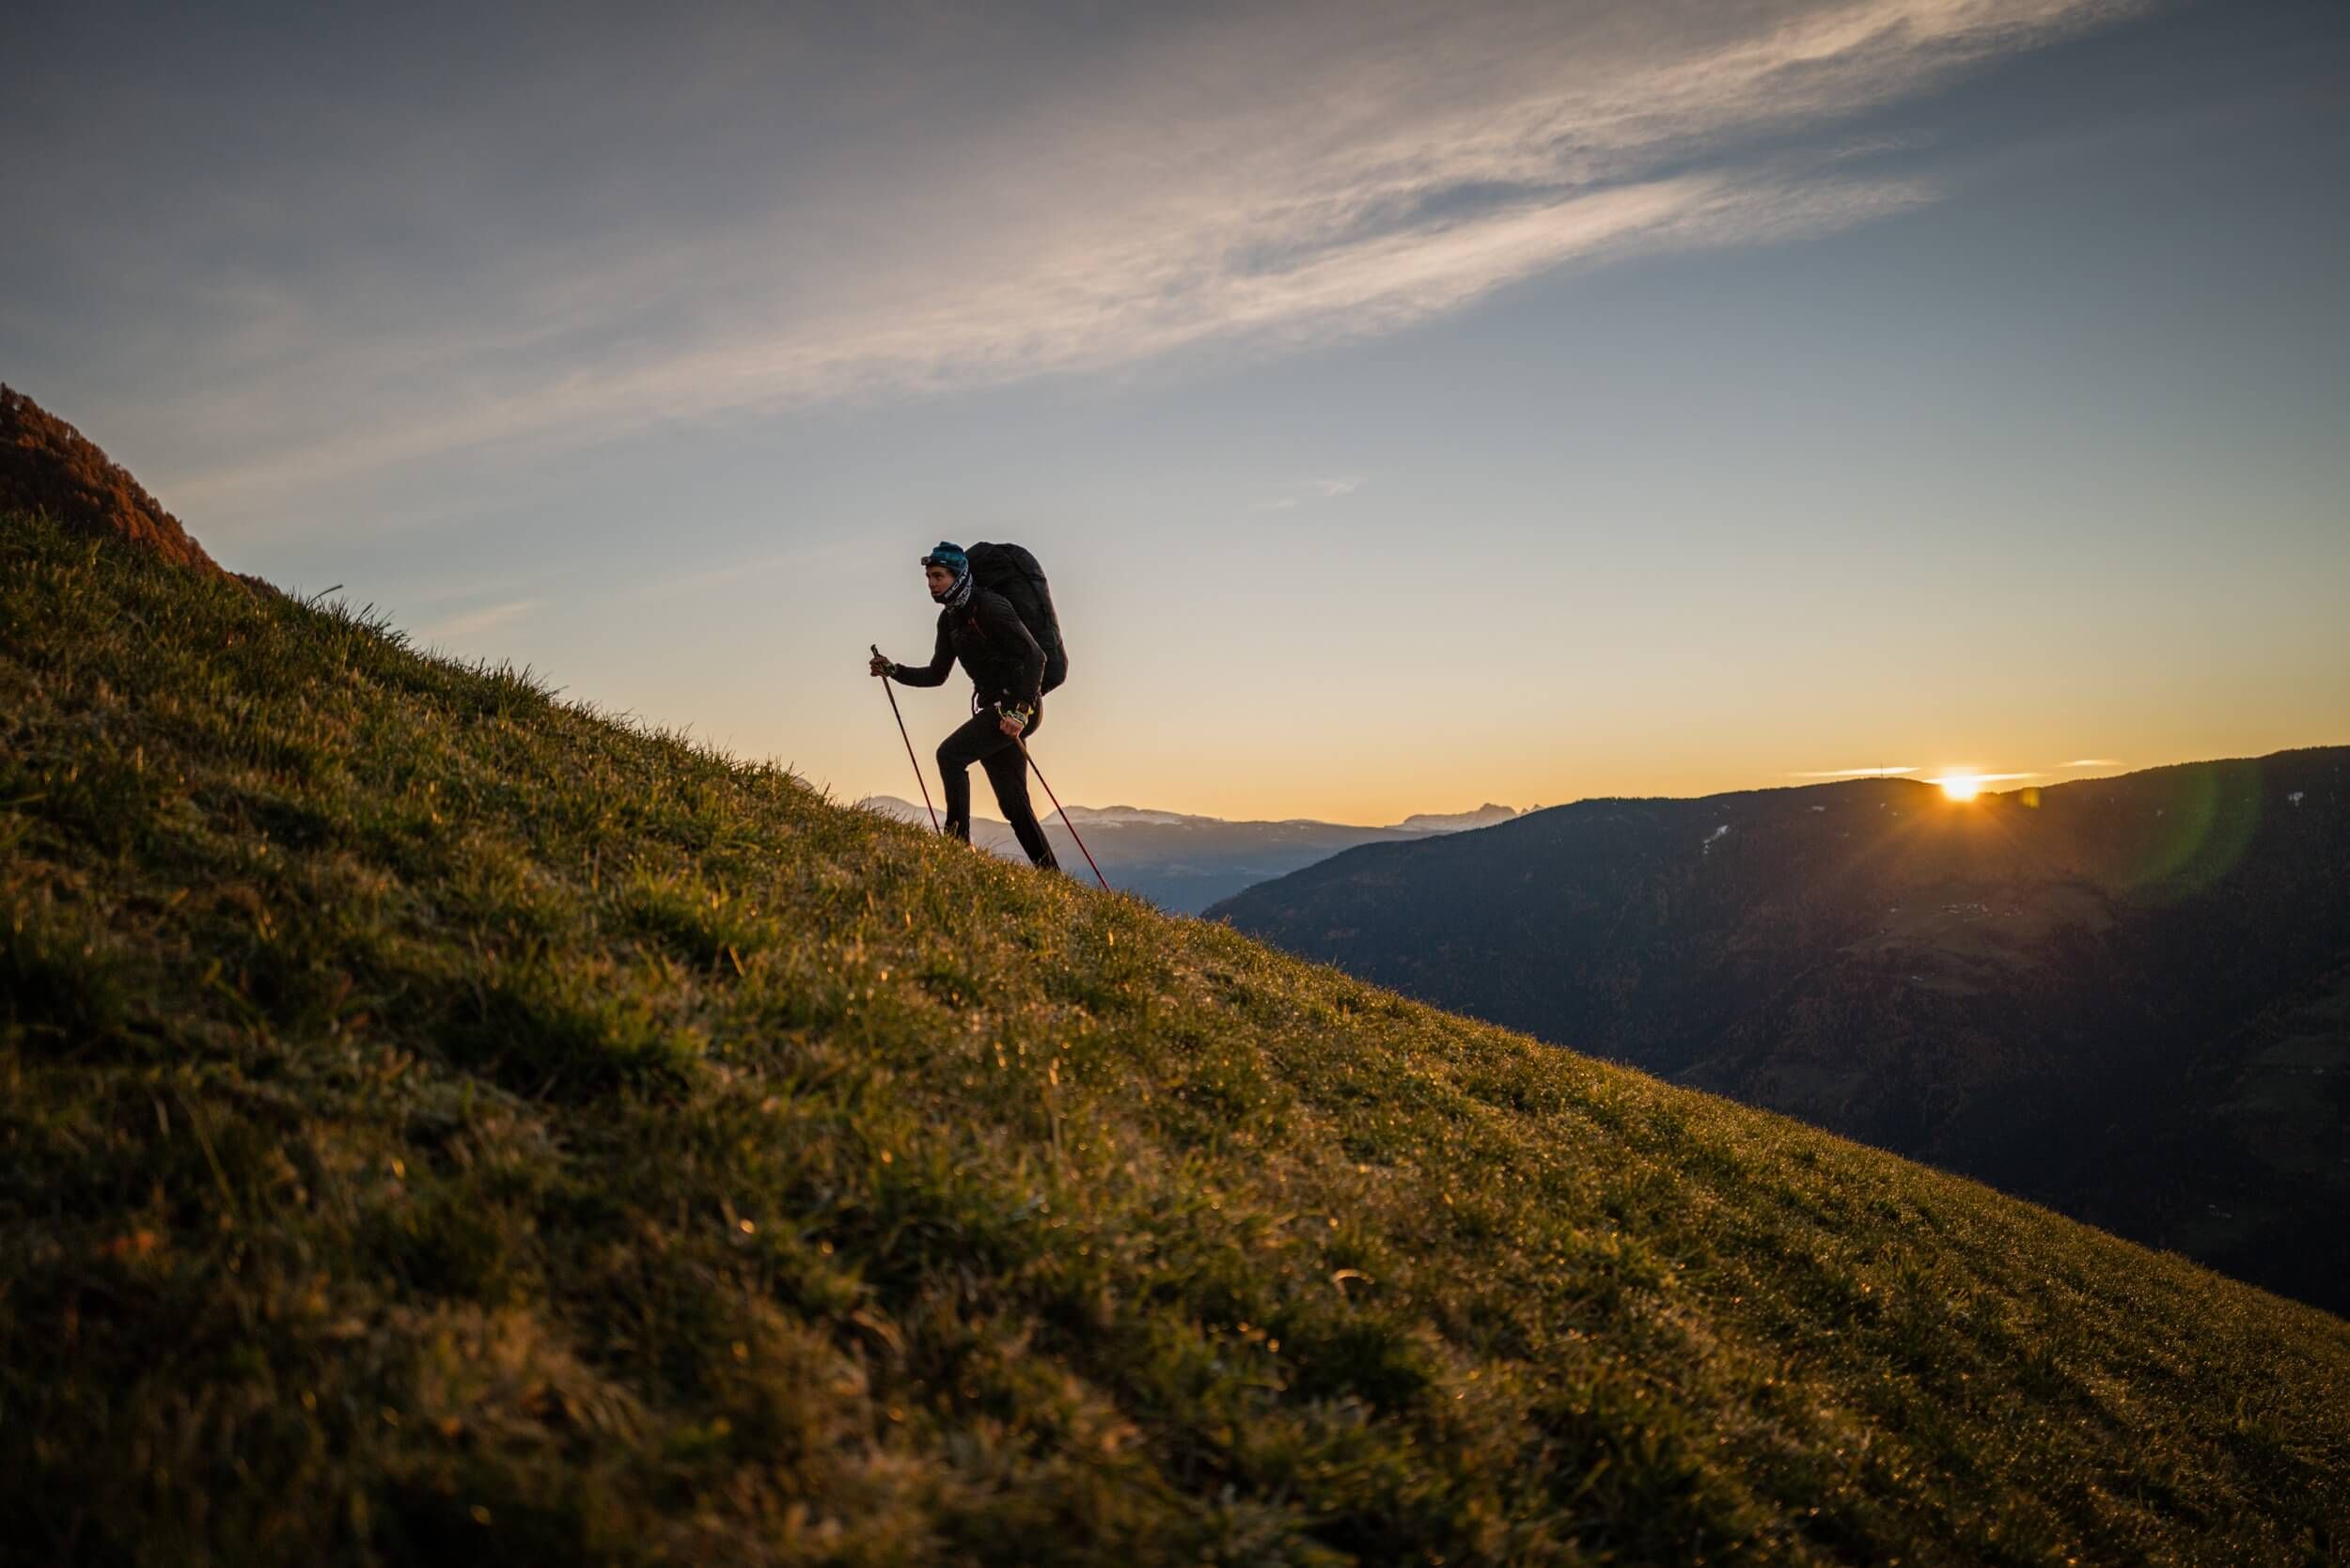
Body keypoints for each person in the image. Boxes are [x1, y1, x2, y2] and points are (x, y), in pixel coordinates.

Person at [870, 542, 1059, 870]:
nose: (932, 584)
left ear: (958, 576)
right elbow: (936, 675)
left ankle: (956, 845)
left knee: (950, 755)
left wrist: (1019, 711)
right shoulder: (949, 620)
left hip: (1016, 708)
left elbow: (1036, 656)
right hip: (993, 709)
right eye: (929, 578)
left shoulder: (990, 607)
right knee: (1014, 803)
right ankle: (1051, 875)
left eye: (938, 576)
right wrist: (893, 670)